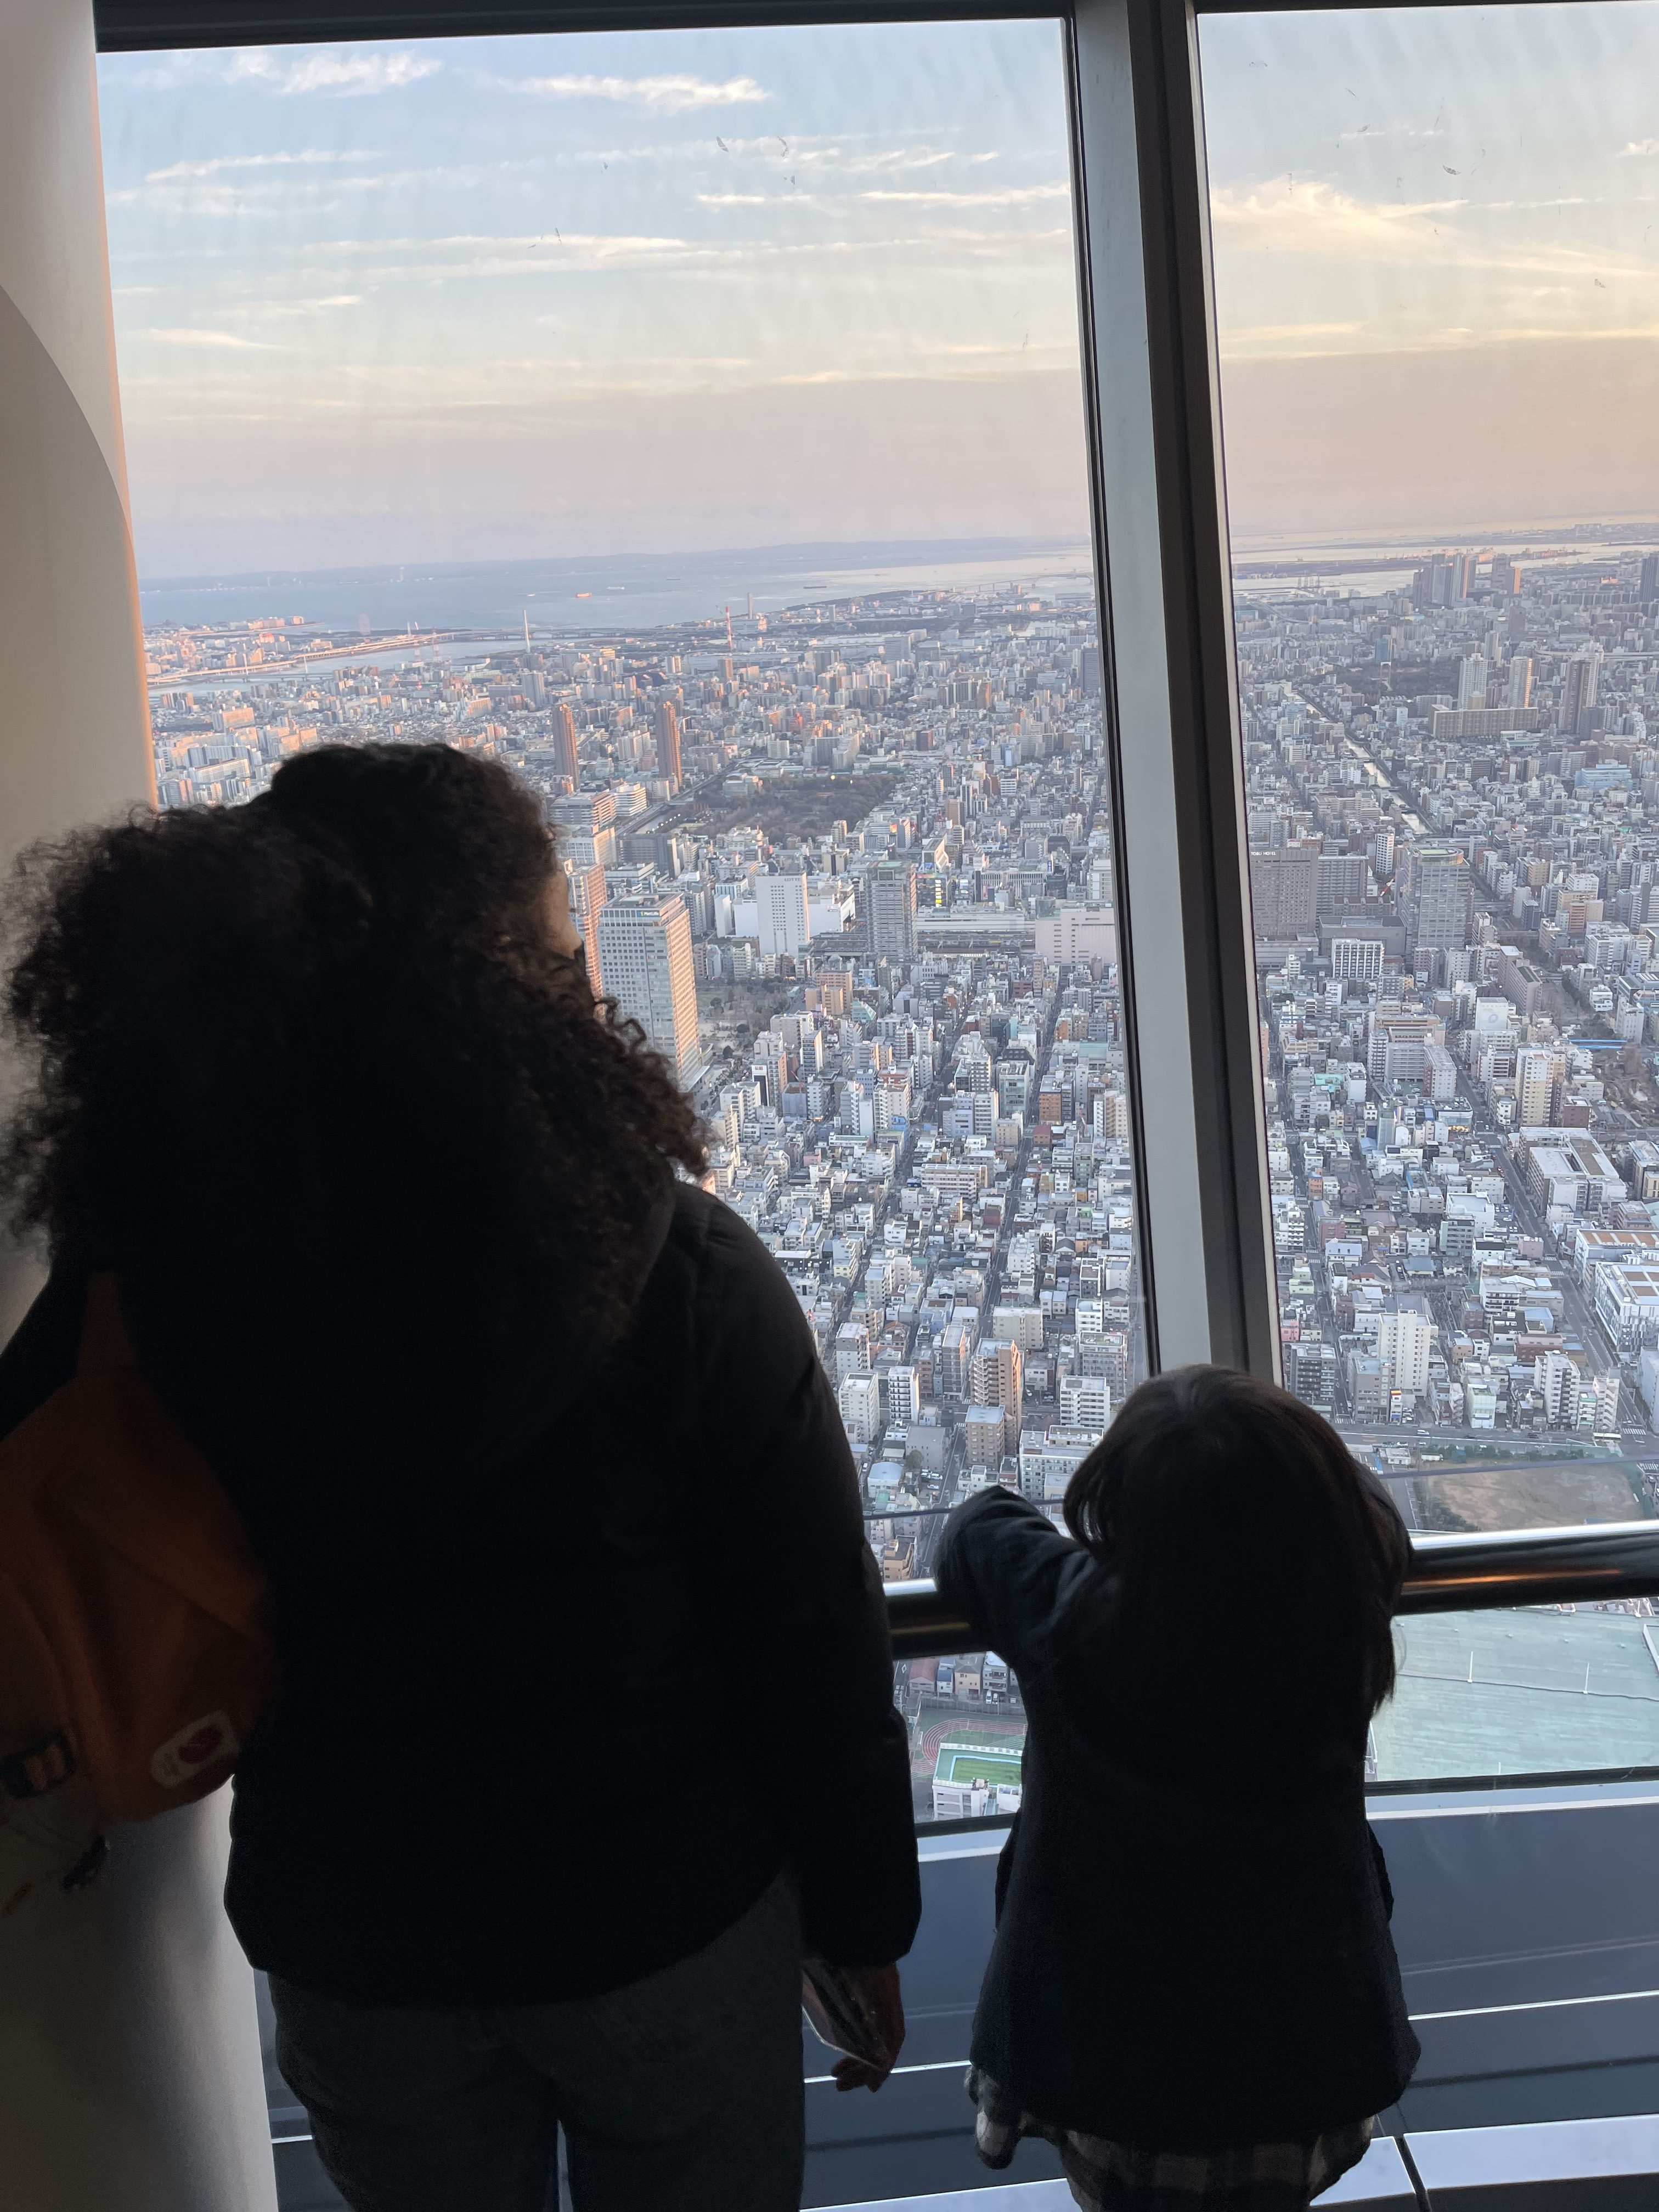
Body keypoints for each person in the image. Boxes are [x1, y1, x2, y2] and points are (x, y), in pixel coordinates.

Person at [0, 742, 919, 2212]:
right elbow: (812, 1627)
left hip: (357, 1939)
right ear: (508, 981)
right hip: (660, 1915)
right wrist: (862, 1917)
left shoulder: (163, 1281)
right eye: (563, 942)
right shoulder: (678, 1271)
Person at [934, 1364, 1419, 2212]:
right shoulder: (1338, 1606)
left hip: (1116, 2070)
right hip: (1305, 2054)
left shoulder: (1074, 1621)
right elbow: (1364, 1515)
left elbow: (977, 1529)